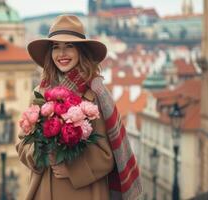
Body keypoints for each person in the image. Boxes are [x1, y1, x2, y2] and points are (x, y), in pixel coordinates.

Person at [16, 15, 142, 200]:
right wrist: (40, 154)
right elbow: (22, 144)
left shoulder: (95, 94)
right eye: (56, 47)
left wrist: (71, 169)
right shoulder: (41, 92)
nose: (62, 54)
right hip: (44, 189)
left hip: (84, 191)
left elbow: (107, 155)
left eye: (69, 46)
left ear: (81, 51)